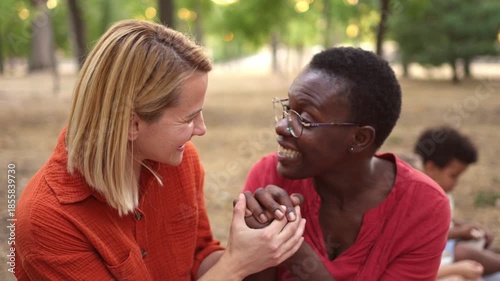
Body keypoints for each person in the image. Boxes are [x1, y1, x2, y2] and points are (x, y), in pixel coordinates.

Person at [14, 19, 306, 281]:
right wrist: (235, 266)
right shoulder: (47, 221)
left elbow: (198, 257)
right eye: (188, 118)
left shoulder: (179, 160)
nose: (201, 129)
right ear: (131, 125)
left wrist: (251, 242)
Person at [241, 47, 451, 280]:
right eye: (288, 110)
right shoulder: (270, 177)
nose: (281, 127)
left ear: (360, 139)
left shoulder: (423, 206)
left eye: (305, 119)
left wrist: (289, 242)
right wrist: (255, 238)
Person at [414, 126, 500, 280]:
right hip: (435, 252)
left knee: (484, 247)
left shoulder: (443, 194)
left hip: (448, 245)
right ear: (430, 168)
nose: (456, 183)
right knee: (463, 251)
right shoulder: (418, 196)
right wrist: (460, 232)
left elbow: (449, 221)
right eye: (453, 175)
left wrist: (468, 226)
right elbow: (422, 233)